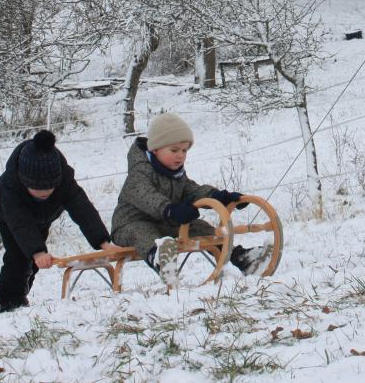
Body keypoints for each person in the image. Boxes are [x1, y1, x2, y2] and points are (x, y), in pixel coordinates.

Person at [110, 112, 271, 282]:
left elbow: (191, 190)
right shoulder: (139, 171)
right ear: (155, 149)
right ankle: (161, 260)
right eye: (174, 150)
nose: (180, 155)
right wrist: (170, 209)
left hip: (165, 223)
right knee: (143, 232)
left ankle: (241, 257)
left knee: (201, 227)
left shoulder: (176, 173)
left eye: (184, 150)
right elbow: (144, 194)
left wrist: (219, 197)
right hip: (128, 224)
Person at [0, 129, 116, 312]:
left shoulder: (65, 181)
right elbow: (21, 223)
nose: (44, 192)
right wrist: (37, 251)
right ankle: (9, 302)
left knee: (34, 262)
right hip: (8, 214)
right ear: (24, 181)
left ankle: (21, 296)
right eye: (37, 188)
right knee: (19, 255)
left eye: (50, 188)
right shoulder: (10, 188)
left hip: (43, 215)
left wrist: (103, 242)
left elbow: (83, 210)